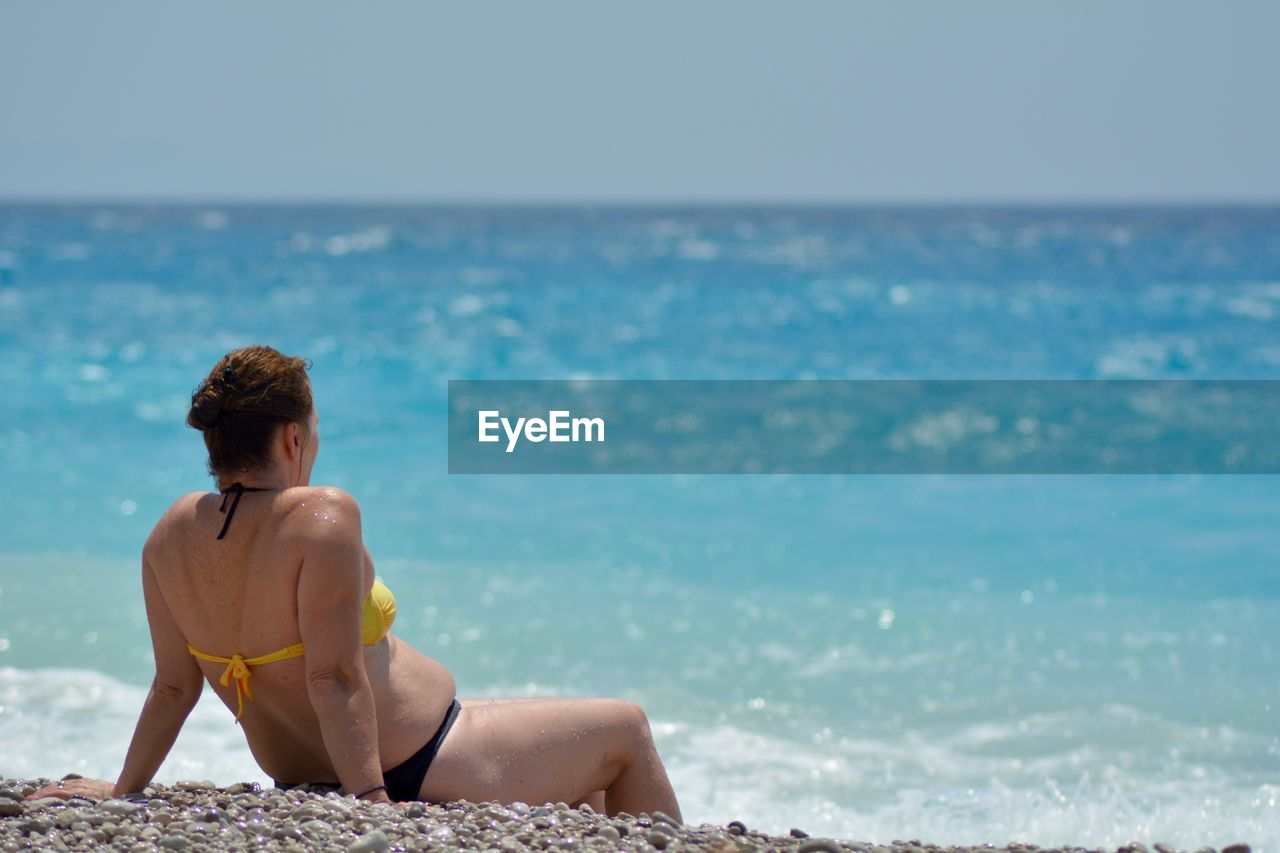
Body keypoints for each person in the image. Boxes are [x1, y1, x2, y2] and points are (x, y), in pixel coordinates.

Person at [27, 344, 682, 820]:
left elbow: (174, 686)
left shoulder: (168, 533)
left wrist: (126, 787)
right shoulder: (321, 514)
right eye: (313, 430)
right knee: (625, 729)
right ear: (292, 436)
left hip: (302, 767)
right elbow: (334, 677)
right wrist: (371, 804)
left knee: (591, 798)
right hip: (417, 759)